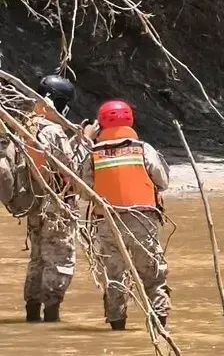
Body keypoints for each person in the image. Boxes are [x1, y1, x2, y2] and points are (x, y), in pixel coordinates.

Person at [80, 100, 171, 331]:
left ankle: (117, 326)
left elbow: (84, 191)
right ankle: (160, 326)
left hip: (107, 221)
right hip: (142, 220)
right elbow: (162, 182)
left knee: (114, 277)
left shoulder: (93, 154)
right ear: (130, 120)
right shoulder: (143, 149)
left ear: (101, 123)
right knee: (152, 273)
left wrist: (87, 141)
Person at [23, 75, 88, 323]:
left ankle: (32, 314)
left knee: (38, 259)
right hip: (57, 205)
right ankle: (51, 315)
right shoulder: (53, 130)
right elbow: (72, 173)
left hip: (36, 203)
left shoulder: (28, 125)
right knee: (60, 260)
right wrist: (85, 141)